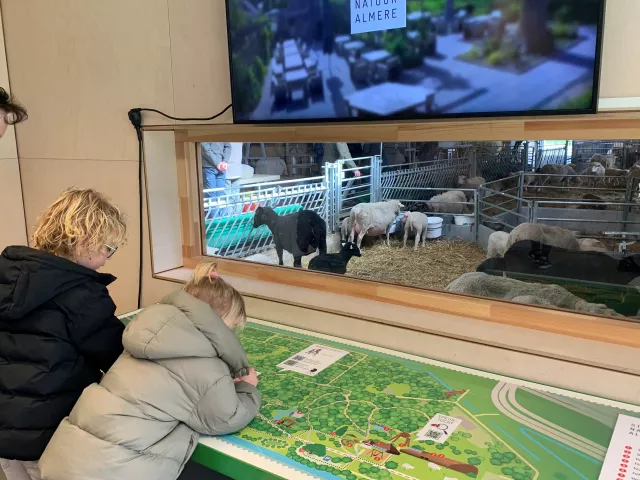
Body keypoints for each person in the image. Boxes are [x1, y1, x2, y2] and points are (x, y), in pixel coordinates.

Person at [39, 261, 261, 480]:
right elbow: (226, 417)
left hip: (69, 458)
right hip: (116, 471)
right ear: (218, 325)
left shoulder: (146, 336)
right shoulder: (206, 366)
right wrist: (247, 387)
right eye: (231, 328)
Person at [0, 188, 128, 480]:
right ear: (85, 241)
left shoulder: (6, 274)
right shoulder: (82, 294)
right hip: (48, 431)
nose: (108, 258)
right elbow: (115, 356)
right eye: (109, 248)